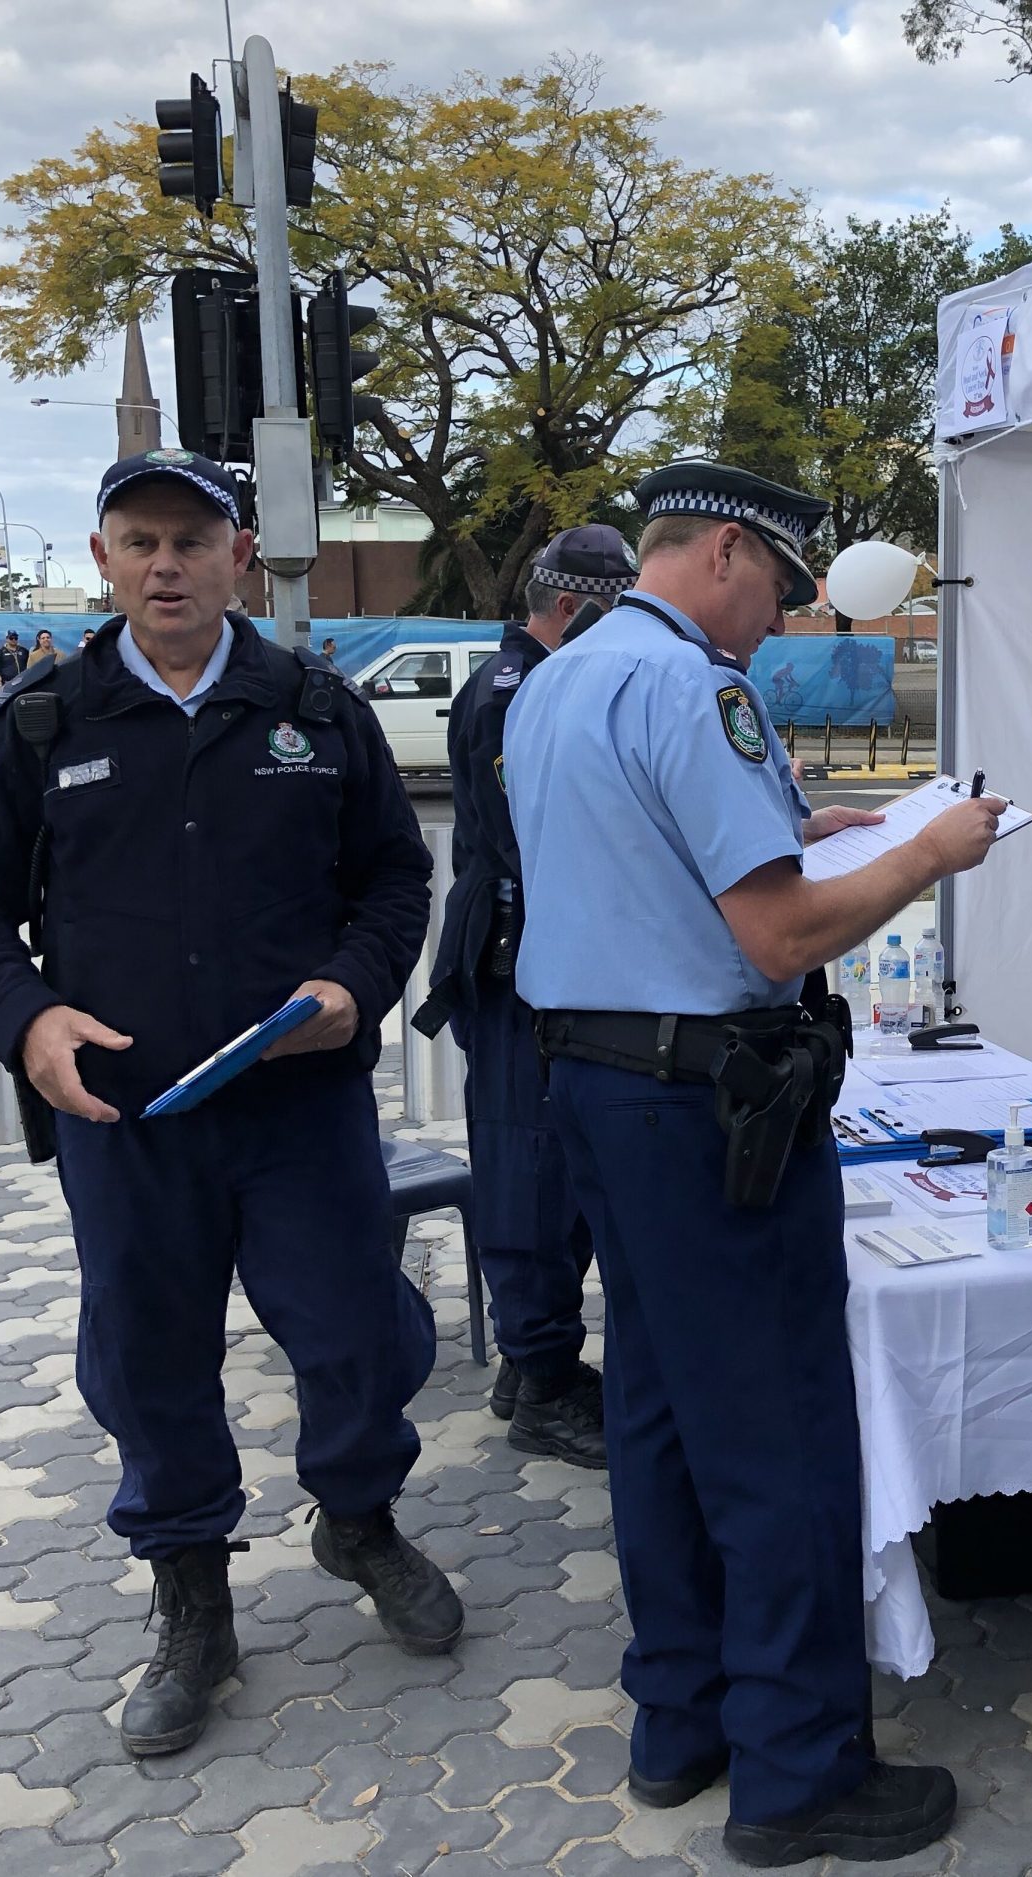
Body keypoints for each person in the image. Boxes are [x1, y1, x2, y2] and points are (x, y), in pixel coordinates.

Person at [505, 459, 1005, 1865]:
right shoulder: (693, 688)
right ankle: (800, 1772)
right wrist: (929, 853)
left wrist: (806, 830)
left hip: (597, 1087)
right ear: (724, 550)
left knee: (659, 1419)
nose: (780, 620)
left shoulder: (563, 672)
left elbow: (643, 861)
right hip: (704, 1108)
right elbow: (778, 941)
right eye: (778, 588)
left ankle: (683, 1719)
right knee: (779, 1432)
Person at [0, 447, 463, 1758]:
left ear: (241, 555)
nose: (166, 564)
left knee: (359, 1331)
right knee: (149, 1361)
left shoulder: (315, 708)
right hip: (130, 1126)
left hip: (299, 1112)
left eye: (192, 539)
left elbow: (394, 883)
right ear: (103, 562)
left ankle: (358, 1516)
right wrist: (26, 1019)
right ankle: (192, 1595)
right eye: (140, 541)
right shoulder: (41, 722)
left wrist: (355, 987)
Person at [416, 525, 637, 1466]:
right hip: (517, 968)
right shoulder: (515, 693)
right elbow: (539, 840)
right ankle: (542, 1378)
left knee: (558, 1165)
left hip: (541, 961)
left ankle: (529, 1363)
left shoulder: (537, 681)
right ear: (574, 609)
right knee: (528, 1169)